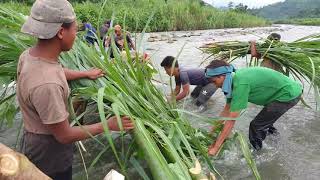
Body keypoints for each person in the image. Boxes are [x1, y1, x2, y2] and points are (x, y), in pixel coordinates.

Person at [17, 0, 134, 180]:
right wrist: (107, 125)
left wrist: (85, 73)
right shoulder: (47, 85)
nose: (77, 35)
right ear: (61, 32)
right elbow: (64, 135)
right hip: (51, 157)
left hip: (34, 141)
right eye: (75, 29)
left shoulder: (29, 56)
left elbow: (56, 71)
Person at [205, 60, 302, 156]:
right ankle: (276, 143)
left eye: (214, 81)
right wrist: (211, 132)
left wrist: (216, 147)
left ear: (222, 76)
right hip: (282, 93)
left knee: (256, 126)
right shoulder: (233, 80)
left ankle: (257, 155)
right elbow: (226, 110)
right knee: (264, 122)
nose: (215, 85)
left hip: (288, 95)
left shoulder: (240, 83)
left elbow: (231, 119)